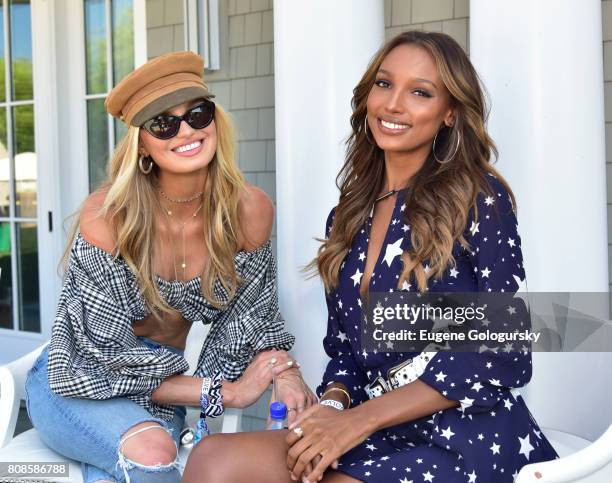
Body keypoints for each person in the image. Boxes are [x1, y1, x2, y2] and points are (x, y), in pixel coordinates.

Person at [181, 31, 559, 483]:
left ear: (449, 113)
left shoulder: (478, 199)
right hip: (374, 426)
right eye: (384, 84)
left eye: (420, 92)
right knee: (213, 460)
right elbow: (346, 351)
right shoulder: (349, 213)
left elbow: (505, 351)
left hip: (466, 432)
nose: (394, 104)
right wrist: (332, 407)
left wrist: (354, 423)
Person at [25, 51, 315, 483]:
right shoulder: (109, 216)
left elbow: (254, 317)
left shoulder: (249, 210)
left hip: (160, 391)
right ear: (141, 143)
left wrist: (285, 371)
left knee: (129, 468)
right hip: (75, 380)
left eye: (198, 114)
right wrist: (226, 393)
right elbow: (100, 361)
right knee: (154, 454)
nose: (187, 131)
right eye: (164, 123)